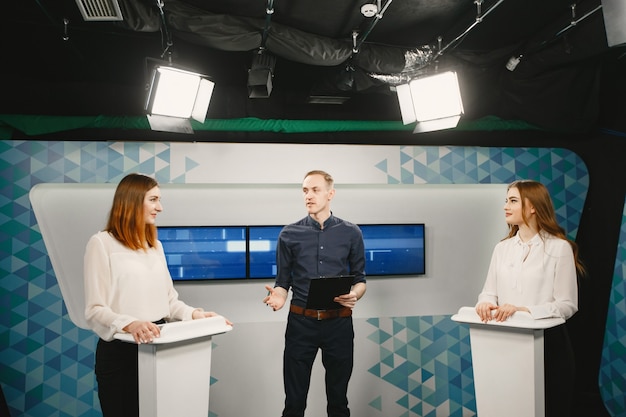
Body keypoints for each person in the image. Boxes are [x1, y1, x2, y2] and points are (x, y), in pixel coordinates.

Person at [84, 173, 231, 417]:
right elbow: (95, 309)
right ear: (132, 201)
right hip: (121, 352)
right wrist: (131, 324)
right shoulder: (101, 243)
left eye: (159, 200)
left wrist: (196, 315)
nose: (160, 207)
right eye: (153, 200)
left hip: (159, 346)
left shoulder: (155, 246)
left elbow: (170, 301)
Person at [475, 179, 585, 417]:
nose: (506, 206)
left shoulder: (559, 248)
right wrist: (484, 303)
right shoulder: (501, 249)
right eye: (506, 200)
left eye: (513, 201)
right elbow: (488, 291)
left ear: (533, 206)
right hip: (507, 346)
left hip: (549, 346)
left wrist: (523, 310)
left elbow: (567, 305)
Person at [263, 170, 367, 417]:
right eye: (305, 190)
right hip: (301, 324)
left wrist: (355, 294)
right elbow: (282, 282)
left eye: (315, 190)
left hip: (339, 324)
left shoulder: (352, 233)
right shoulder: (288, 234)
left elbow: (361, 280)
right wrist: (278, 296)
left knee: (338, 402)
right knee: (294, 403)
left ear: (330, 194)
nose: (308, 196)